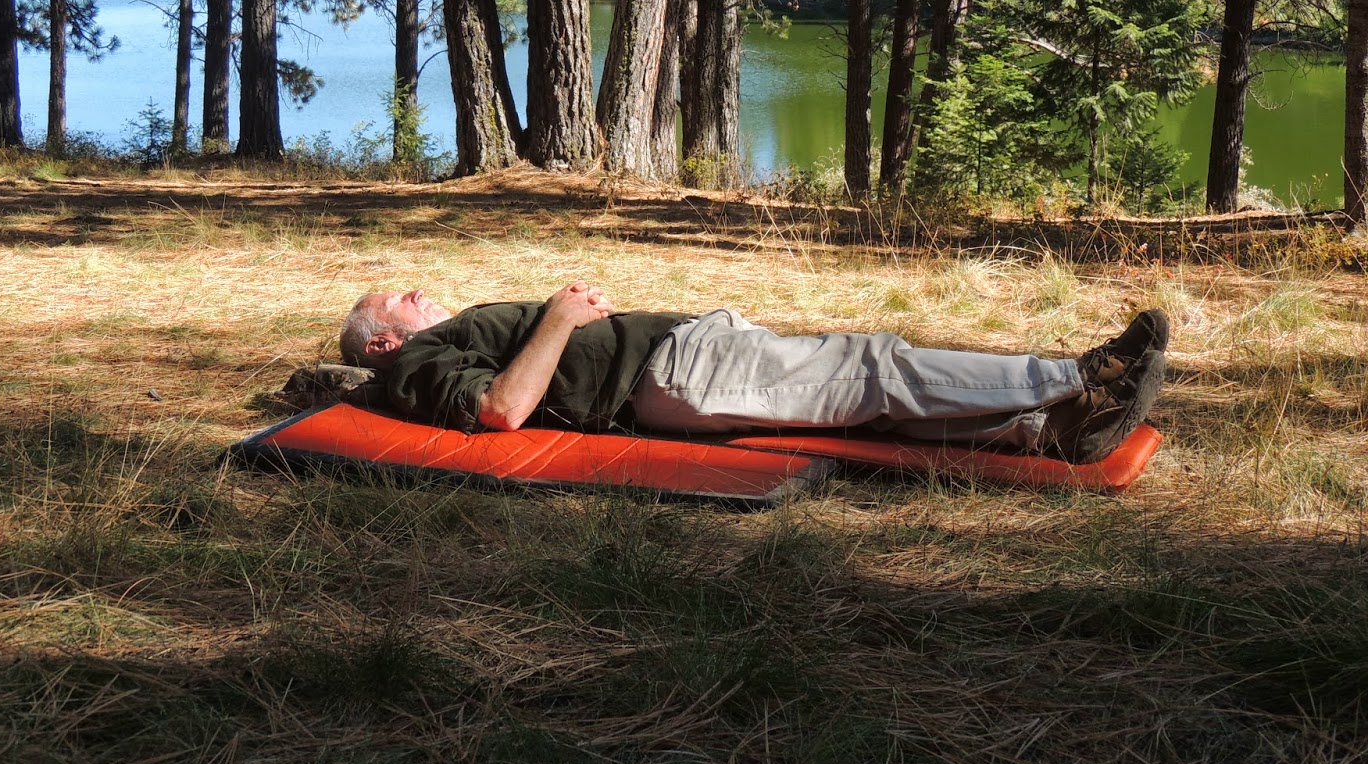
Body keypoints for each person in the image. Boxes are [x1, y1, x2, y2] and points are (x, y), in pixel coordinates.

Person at [337, 284, 1169, 465]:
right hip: (665, 374)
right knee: (870, 367)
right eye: (396, 298)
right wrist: (560, 314)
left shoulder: (427, 345)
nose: (415, 292)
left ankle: (1048, 430)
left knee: (864, 403)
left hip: (686, 353)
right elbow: (501, 410)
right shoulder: (414, 362)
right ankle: (1075, 380)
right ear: (380, 345)